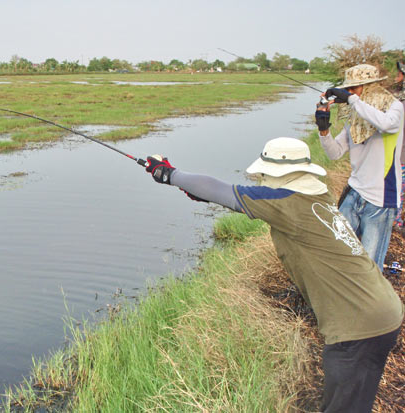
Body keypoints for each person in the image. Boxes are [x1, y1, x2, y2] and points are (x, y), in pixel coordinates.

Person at [144, 137, 403, 413]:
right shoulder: (316, 196)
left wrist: (170, 174)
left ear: (277, 174)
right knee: (355, 400)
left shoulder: (287, 202)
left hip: (358, 326)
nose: (262, 180)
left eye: (265, 175)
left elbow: (222, 189)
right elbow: (227, 196)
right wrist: (200, 191)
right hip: (383, 310)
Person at [314, 64, 404, 271]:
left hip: (380, 198)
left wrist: (352, 100)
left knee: (370, 264)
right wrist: (323, 128)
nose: (349, 93)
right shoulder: (356, 117)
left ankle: (370, 301)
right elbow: (335, 152)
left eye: (354, 88)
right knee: (337, 249)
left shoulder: (394, 107)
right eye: (348, 89)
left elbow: (388, 124)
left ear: (370, 86)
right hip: (354, 191)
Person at [390, 61, 405, 231]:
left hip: (400, 156)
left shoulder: (398, 103)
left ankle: (396, 223)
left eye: (399, 75)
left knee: (398, 191)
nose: (396, 78)